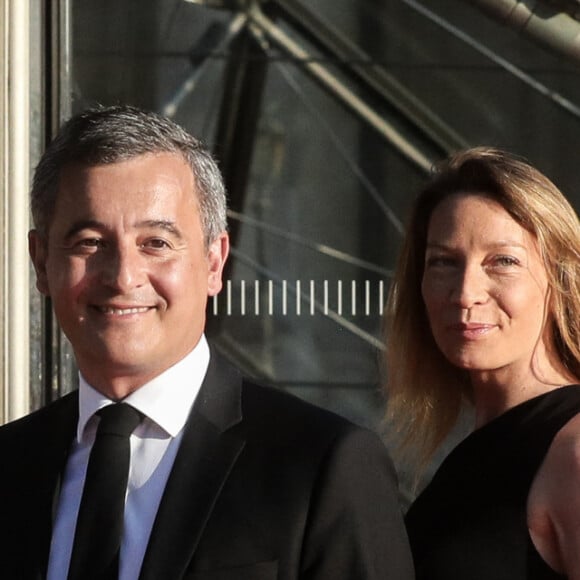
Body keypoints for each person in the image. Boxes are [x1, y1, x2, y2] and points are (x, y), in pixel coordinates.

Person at [0, 104, 414, 580]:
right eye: (90, 242)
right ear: (40, 263)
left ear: (215, 262)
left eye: (155, 243)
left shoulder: (320, 466)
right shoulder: (10, 468)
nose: (123, 277)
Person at [384, 146, 580, 579]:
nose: (465, 292)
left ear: (560, 280)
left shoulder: (573, 451)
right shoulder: (479, 450)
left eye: (503, 262)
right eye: (443, 262)